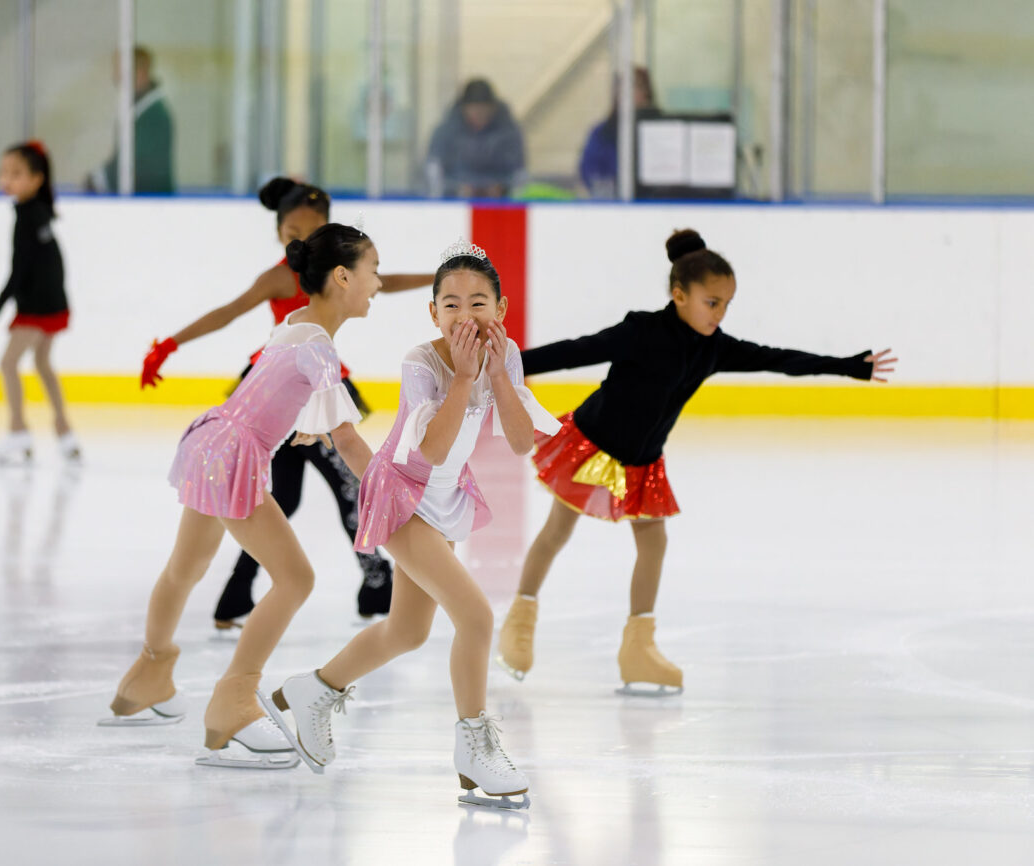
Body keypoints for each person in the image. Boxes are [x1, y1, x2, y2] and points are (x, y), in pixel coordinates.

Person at [496, 229, 897, 695]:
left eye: (727, 304)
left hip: (642, 460)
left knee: (654, 542)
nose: (719, 314)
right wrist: (503, 366)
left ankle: (637, 648)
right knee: (556, 532)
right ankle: (519, 624)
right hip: (590, 444)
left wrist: (847, 366)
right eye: (712, 302)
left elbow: (780, 360)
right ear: (679, 294)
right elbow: (573, 352)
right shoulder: (640, 331)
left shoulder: (714, 348)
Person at [261, 241, 559, 810]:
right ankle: (474, 748)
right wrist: (465, 380)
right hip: (401, 494)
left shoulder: (507, 355)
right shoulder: (420, 363)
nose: (464, 316)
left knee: (407, 632)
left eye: (478, 303)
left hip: (443, 501)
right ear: (433, 313)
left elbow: (522, 441)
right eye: (450, 305)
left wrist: (496, 374)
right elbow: (428, 448)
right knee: (475, 616)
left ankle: (311, 691)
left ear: (500, 308)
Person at [103, 223, 382, 771]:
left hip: (211, 440)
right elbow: (346, 438)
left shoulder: (295, 325)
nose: (378, 283)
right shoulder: (321, 347)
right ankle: (233, 702)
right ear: (344, 276)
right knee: (296, 578)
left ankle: (149, 677)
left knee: (186, 568)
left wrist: (305, 425)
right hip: (236, 456)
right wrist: (395, 490)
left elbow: (276, 388)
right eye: (374, 271)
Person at [140, 177, 433, 628]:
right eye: (292, 231)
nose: (301, 239)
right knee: (295, 496)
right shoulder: (280, 277)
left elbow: (382, 281)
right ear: (279, 232)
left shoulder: (345, 275)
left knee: (320, 495)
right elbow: (229, 311)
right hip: (282, 392)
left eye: (311, 231)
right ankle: (357, 585)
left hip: (317, 387)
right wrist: (170, 345)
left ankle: (371, 584)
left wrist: (439, 279)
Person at [0, 141, 80, 465]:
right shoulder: (37, 214)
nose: (6, 180)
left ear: (37, 179)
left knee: (8, 364)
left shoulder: (29, 216)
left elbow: (22, 267)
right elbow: (49, 262)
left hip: (38, 307)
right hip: (51, 302)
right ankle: (65, 432)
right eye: (3, 173)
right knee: (41, 363)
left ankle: (17, 431)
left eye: (15, 174)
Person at [85, 45, 174, 195]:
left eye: (120, 72)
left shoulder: (154, 115)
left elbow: (136, 163)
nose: (116, 78)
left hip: (153, 206)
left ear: (141, 73)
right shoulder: (139, 110)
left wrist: (98, 180)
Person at [426, 79, 525, 199]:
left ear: (493, 109)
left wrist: (503, 188)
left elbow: (518, 171)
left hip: (499, 202)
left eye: (484, 110)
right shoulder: (447, 131)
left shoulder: (508, 132)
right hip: (455, 200)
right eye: (475, 110)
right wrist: (455, 188)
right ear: (463, 109)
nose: (479, 115)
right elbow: (434, 168)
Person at [578, 67, 656, 198]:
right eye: (622, 86)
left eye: (634, 86)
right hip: (613, 203)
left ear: (646, 93)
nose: (627, 92)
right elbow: (589, 171)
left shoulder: (658, 131)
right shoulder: (602, 133)